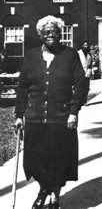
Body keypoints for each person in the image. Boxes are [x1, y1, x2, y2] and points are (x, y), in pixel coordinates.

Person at [14, 15, 85, 209]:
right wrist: (19, 115)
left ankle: (54, 195)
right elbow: (22, 87)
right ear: (40, 35)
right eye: (46, 32)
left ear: (60, 33)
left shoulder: (70, 55)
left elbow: (80, 84)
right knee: (35, 160)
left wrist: (73, 111)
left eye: (54, 31)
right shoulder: (30, 56)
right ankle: (44, 188)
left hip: (61, 118)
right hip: (35, 117)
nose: (50, 35)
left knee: (58, 159)